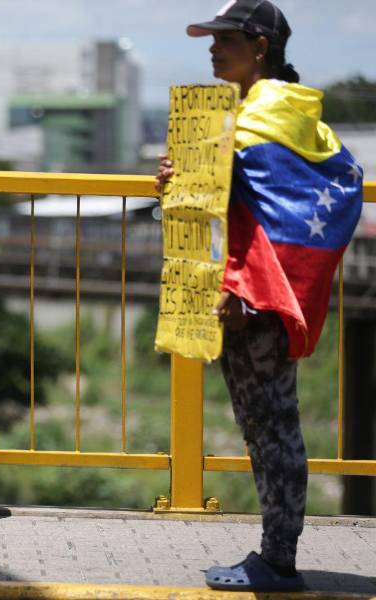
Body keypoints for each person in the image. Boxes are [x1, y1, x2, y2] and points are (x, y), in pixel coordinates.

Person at [156, 0, 364, 592]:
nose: (213, 48)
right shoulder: (290, 117)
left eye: (225, 38)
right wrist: (181, 179)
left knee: (272, 427)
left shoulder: (259, 118)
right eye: (211, 38)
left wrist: (245, 290)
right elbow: (246, 203)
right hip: (255, 294)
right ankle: (277, 554)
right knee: (268, 424)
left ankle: (278, 562)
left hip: (256, 300)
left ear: (260, 48)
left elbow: (272, 216)